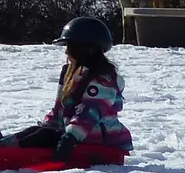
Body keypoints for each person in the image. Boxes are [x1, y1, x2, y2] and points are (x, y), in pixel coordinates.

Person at [9, 16, 131, 159]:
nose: (66, 53)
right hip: (78, 135)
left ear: (86, 49)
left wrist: (70, 138)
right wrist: (47, 125)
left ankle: (7, 153)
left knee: (46, 135)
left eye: (70, 47)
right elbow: (59, 109)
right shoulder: (73, 74)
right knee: (38, 131)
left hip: (100, 141)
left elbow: (89, 114)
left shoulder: (103, 80)